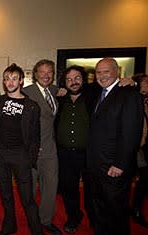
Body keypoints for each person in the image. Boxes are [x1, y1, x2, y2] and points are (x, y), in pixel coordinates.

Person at [86, 58, 143, 235]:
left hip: (114, 167)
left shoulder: (129, 94)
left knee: (116, 212)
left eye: (106, 71)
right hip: (97, 166)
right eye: (98, 72)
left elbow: (131, 133)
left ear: (117, 71)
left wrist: (120, 164)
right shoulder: (98, 93)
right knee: (100, 209)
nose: (102, 76)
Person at [0, 63, 43, 235]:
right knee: (6, 195)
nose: (10, 82)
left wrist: (30, 159)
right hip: (0, 155)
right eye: (7, 78)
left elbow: (36, 136)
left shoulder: (32, 106)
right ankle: (10, 225)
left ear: (21, 81)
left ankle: (36, 229)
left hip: (21, 156)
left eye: (14, 78)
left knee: (27, 197)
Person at [55, 65, 97, 233]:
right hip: (65, 154)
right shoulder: (61, 98)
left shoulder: (94, 96)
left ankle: (95, 218)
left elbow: (112, 86)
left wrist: (132, 82)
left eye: (77, 78)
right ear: (64, 82)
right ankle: (74, 216)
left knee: (91, 190)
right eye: (69, 79)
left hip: (88, 153)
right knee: (68, 188)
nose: (73, 82)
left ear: (84, 79)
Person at [22, 59, 61, 235]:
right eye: (42, 72)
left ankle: (46, 220)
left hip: (51, 150)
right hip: (31, 151)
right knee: (29, 188)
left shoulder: (56, 91)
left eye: (49, 72)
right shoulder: (25, 93)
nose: (46, 75)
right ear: (35, 74)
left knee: (50, 188)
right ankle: (32, 220)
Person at [130, 73, 148, 228]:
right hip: (136, 147)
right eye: (146, 82)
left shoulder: (146, 100)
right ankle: (135, 209)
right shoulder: (133, 99)